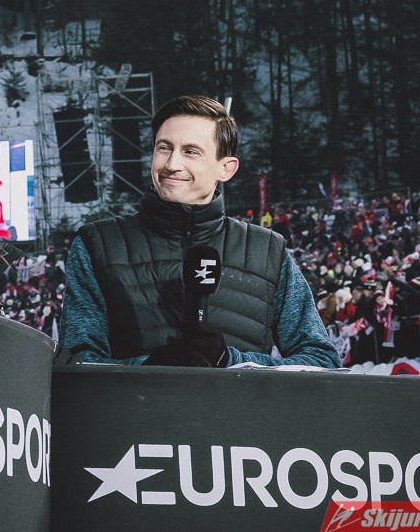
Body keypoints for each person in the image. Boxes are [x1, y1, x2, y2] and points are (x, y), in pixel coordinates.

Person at [60, 95, 340, 368]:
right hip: (137, 401)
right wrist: (149, 368)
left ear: (226, 168)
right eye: (164, 148)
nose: (172, 164)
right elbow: (76, 366)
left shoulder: (267, 251)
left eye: (191, 151)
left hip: (238, 403)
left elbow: (321, 361)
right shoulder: (97, 244)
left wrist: (230, 361)